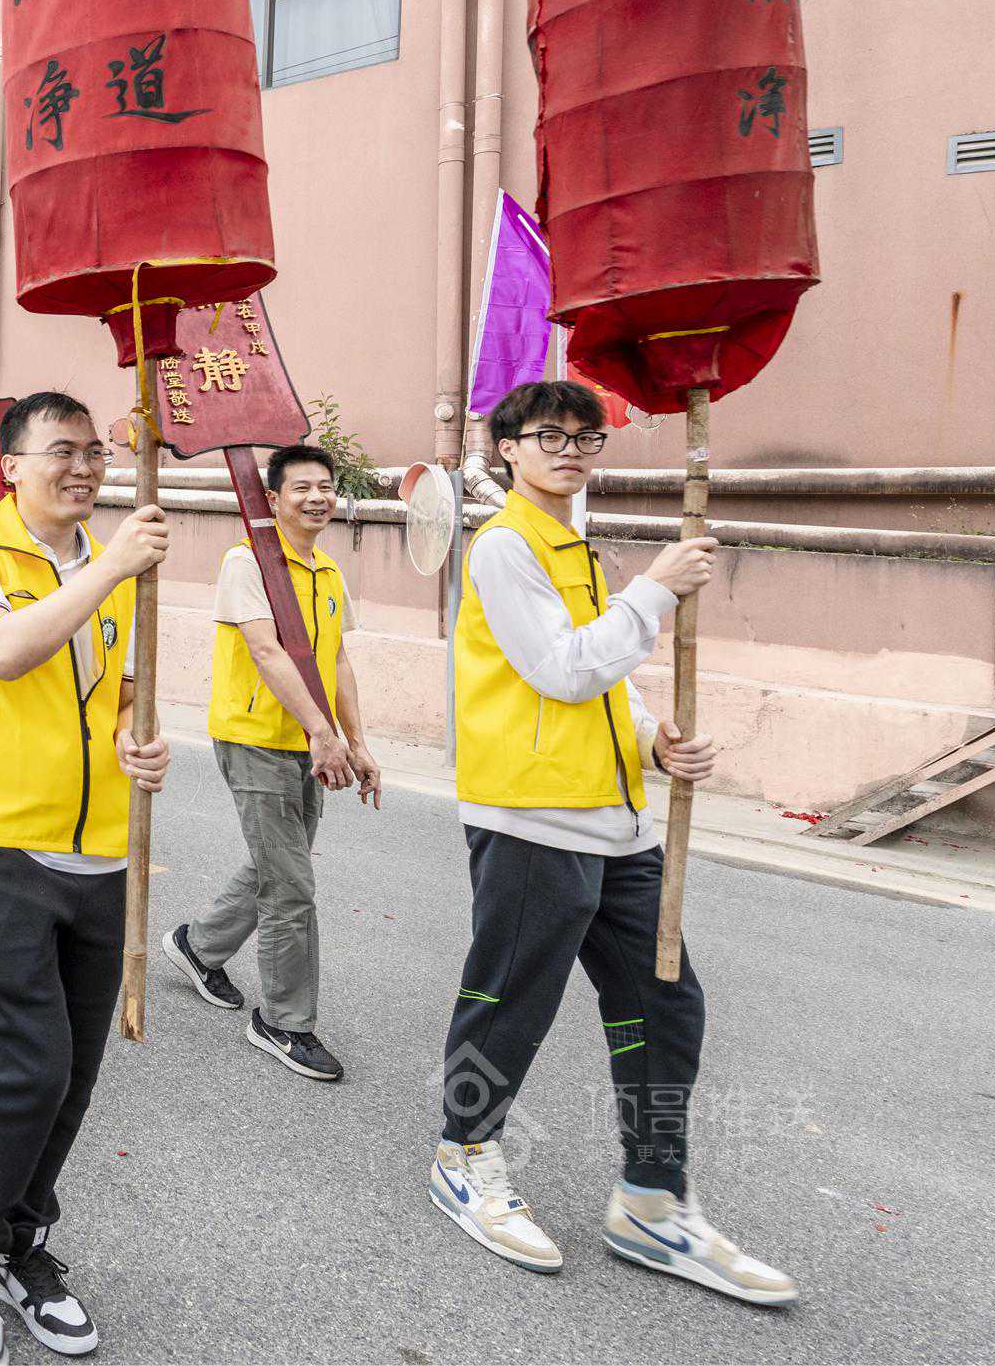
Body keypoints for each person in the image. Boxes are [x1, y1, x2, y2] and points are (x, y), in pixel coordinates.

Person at [427, 379, 794, 1305]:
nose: (570, 447)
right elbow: (557, 668)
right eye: (547, 433)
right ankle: (463, 1151)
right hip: (530, 821)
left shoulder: (575, 547)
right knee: (509, 1002)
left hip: (617, 823)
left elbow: (600, 680)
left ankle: (651, 1195)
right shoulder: (505, 546)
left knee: (663, 1003)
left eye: (585, 434)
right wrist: (655, 593)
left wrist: (650, 739)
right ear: (505, 448)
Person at [0, 390, 170, 1366]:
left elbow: (115, 700)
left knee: (71, 1073)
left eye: (94, 452)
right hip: (1, 842)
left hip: (100, 849)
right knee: (25, 1062)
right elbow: (7, 651)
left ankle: (25, 1240)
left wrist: (137, 745)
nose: (83, 467)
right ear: (9, 465)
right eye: (60, 451)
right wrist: (112, 566)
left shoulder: (108, 570)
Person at [162, 444, 379, 1083]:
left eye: (325, 487)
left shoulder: (328, 573)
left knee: (275, 864)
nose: (317, 497)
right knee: (291, 885)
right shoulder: (247, 562)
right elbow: (265, 650)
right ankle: (285, 1022)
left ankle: (197, 947)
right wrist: (322, 733)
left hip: (314, 742)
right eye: (302, 487)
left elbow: (335, 661)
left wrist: (355, 740)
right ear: (275, 498)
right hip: (256, 738)